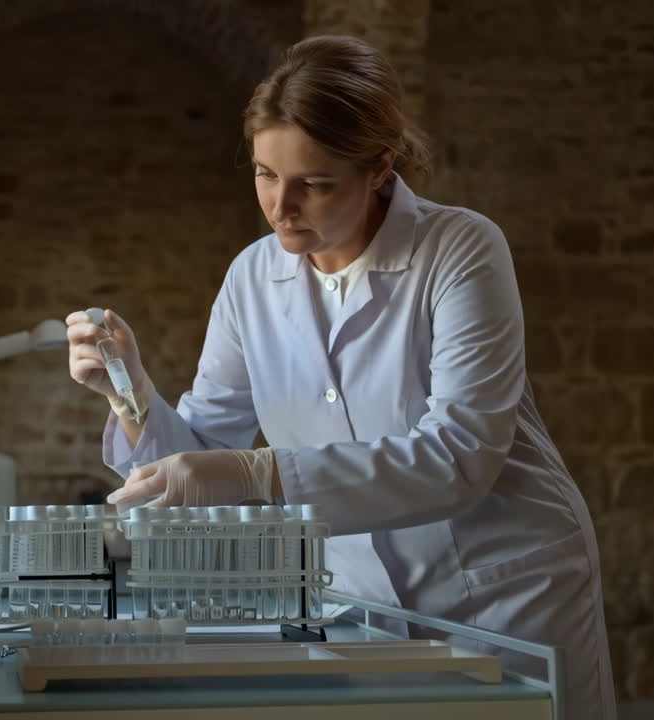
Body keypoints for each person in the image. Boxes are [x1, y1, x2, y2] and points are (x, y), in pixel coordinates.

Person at [66, 35, 616, 720]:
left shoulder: (459, 250)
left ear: (379, 167)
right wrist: (130, 392)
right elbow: (204, 444)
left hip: (506, 591)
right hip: (364, 603)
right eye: (266, 174)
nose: (280, 206)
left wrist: (258, 474)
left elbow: (462, 454)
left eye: (314, 183)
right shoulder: (251, 280)